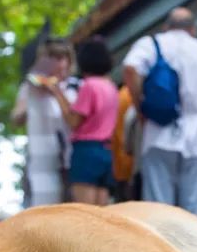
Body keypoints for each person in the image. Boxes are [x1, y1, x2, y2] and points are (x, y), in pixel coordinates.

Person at [122, 8, 197, 219]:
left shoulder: (151, 44)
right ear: (193, 29)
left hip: (158, 131)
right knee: (196, 207)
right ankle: (194, 251)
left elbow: (130, 68)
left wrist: (140, 107)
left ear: (166, 26)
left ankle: (159, 249)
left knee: (158, 206)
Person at [42, 37, 119, 206]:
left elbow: (73, 120)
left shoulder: (89, 86)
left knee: (86, 213)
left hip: (86, 151)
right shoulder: (111, 86)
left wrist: (56, 93)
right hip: (106, 151)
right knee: (103, 213)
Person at [10, 38, 75, 208]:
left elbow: (75, 121)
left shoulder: (75, 88)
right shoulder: (29, 88)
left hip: (69, 162)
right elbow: (16, 117)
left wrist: (57, 93)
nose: (56, 65)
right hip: (39, 160)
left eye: (60, 59)